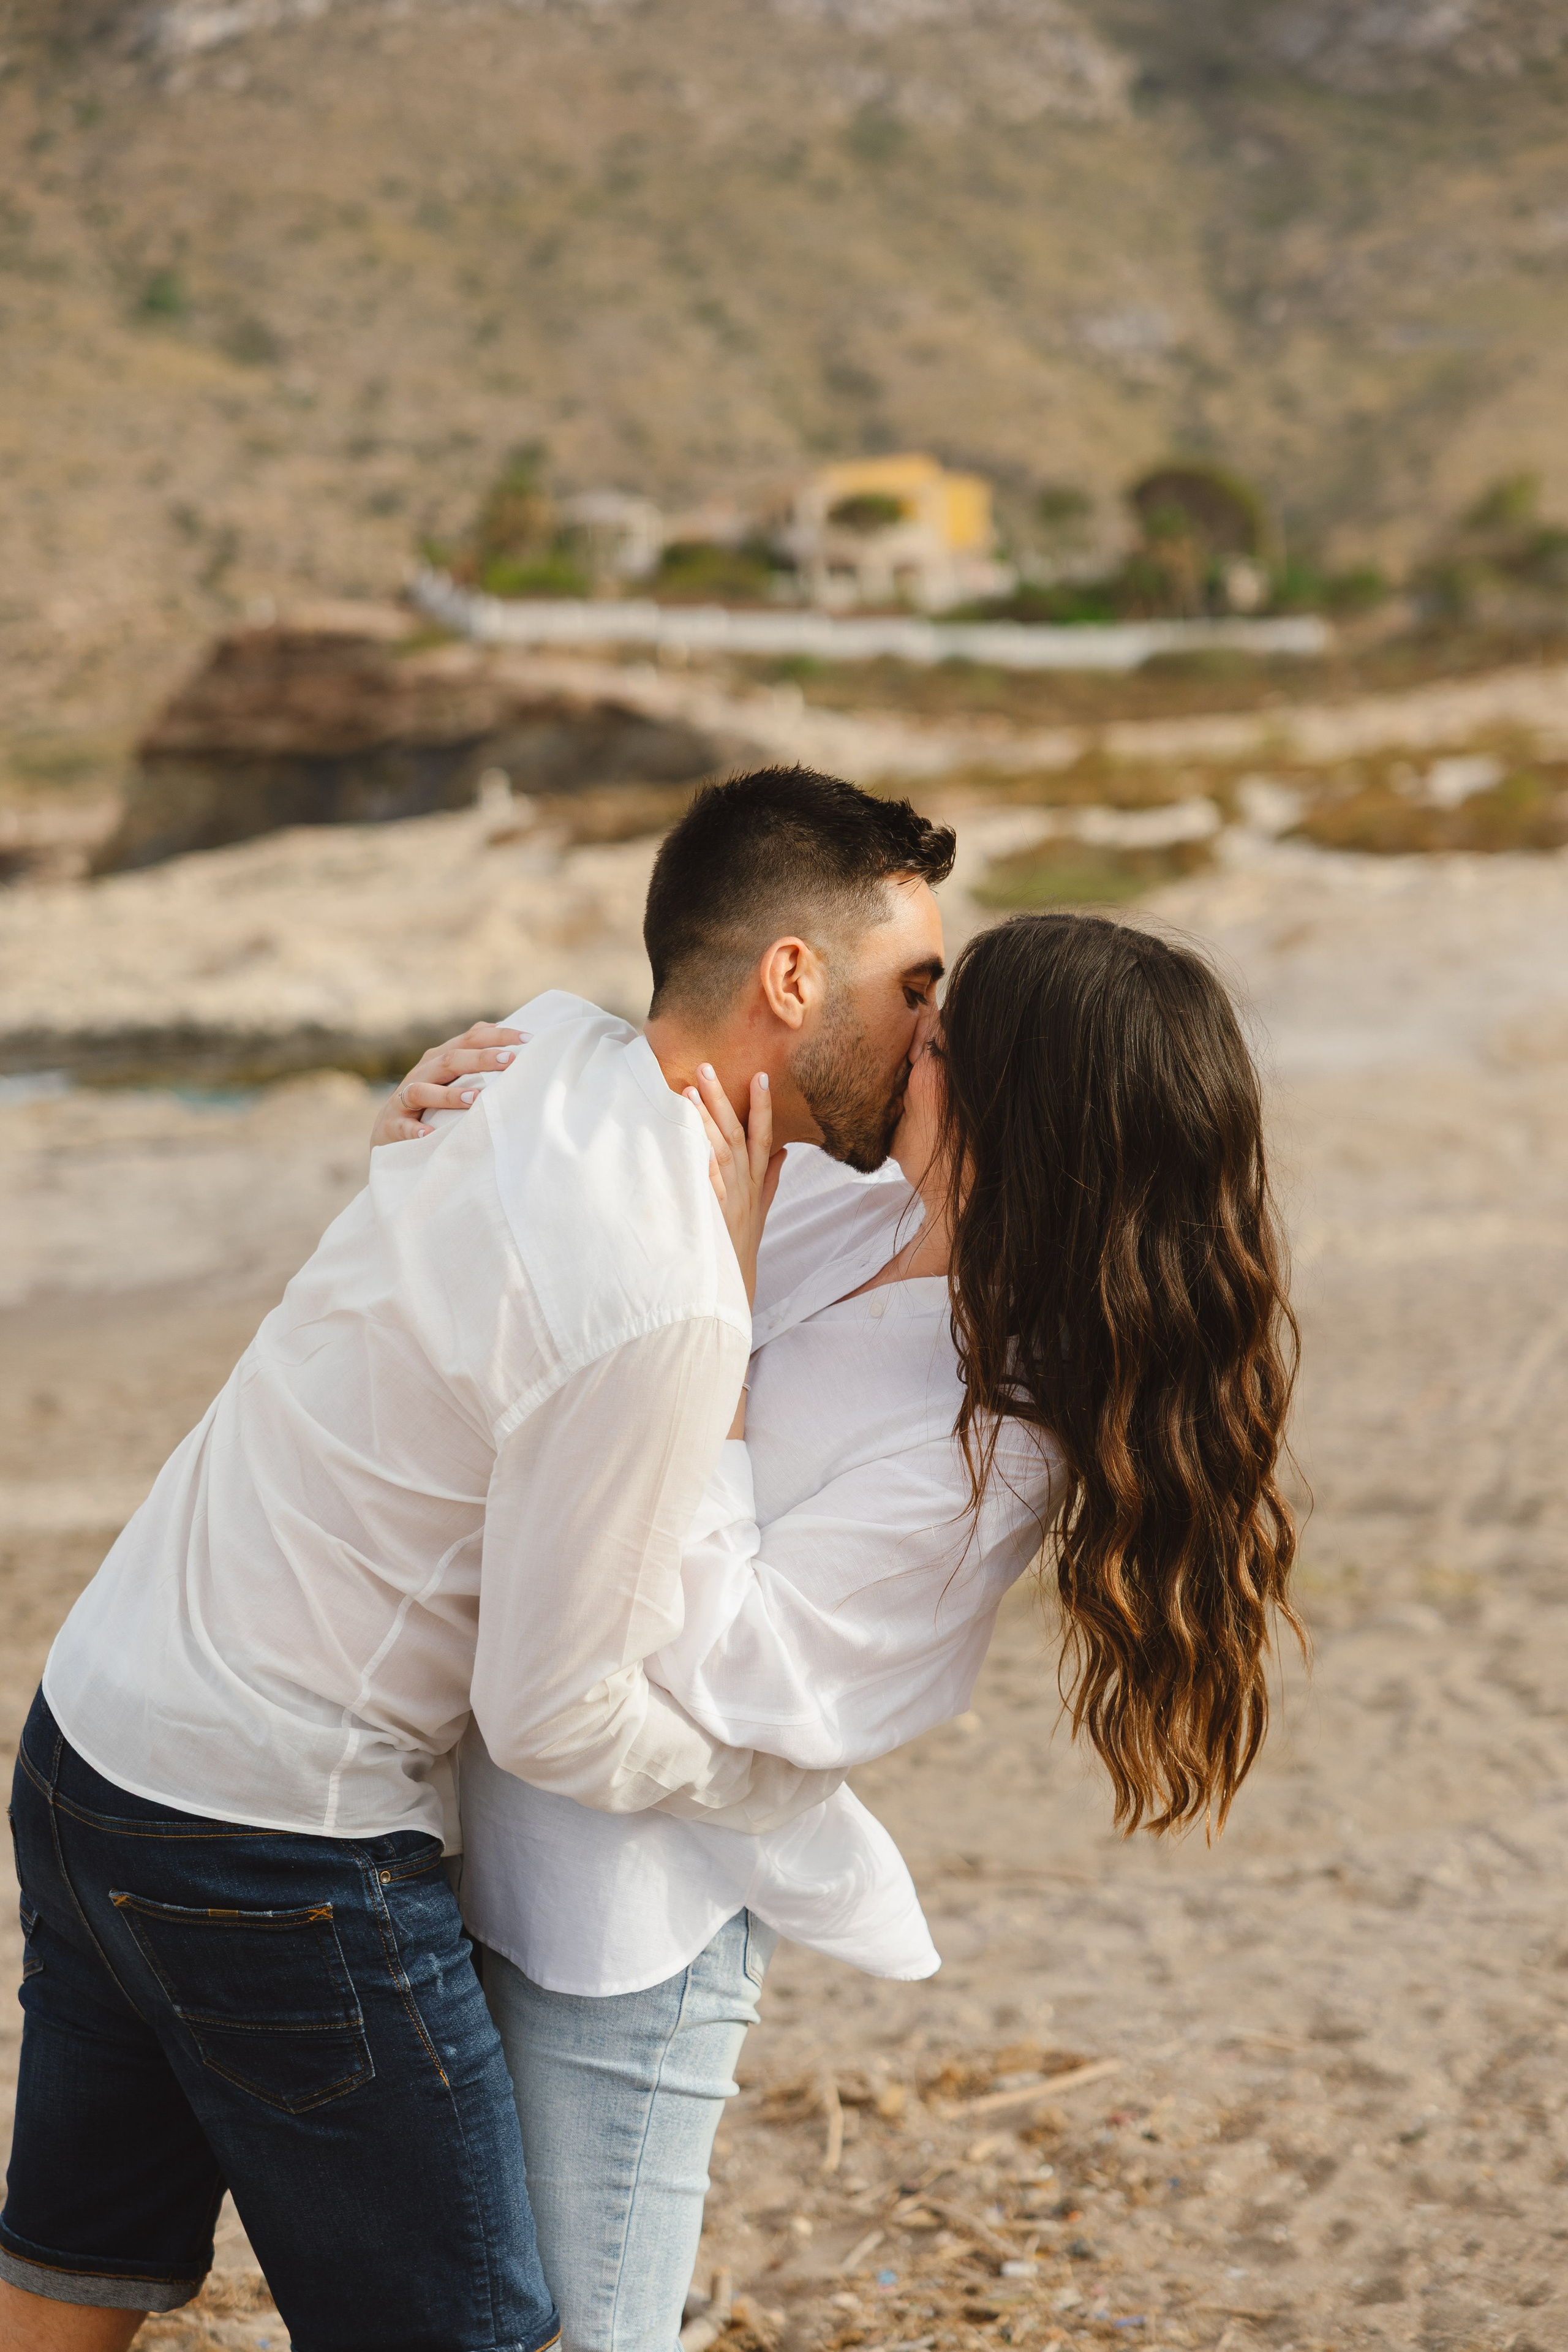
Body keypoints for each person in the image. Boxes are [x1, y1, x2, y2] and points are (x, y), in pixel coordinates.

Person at [0, 769, 957, 2352]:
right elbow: (552, 1715)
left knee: (72, 2272)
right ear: (793, 977)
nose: (933, 1032)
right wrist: (779, 1805)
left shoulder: (537, 1048)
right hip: (274, 1845)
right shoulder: (665, 1297)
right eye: (914, 985)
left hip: (91, 1734)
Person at [373, 901, 1303, 2352]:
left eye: (945, 1029)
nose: (908, 1035)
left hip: (624, 1934)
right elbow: (571, 1245)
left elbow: (740, 1659)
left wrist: (717, 1320)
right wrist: (438, 1123)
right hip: (457, 1828)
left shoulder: (994, 1437)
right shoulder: (844, 1200)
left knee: (585, 2336)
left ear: (1017, 1113)